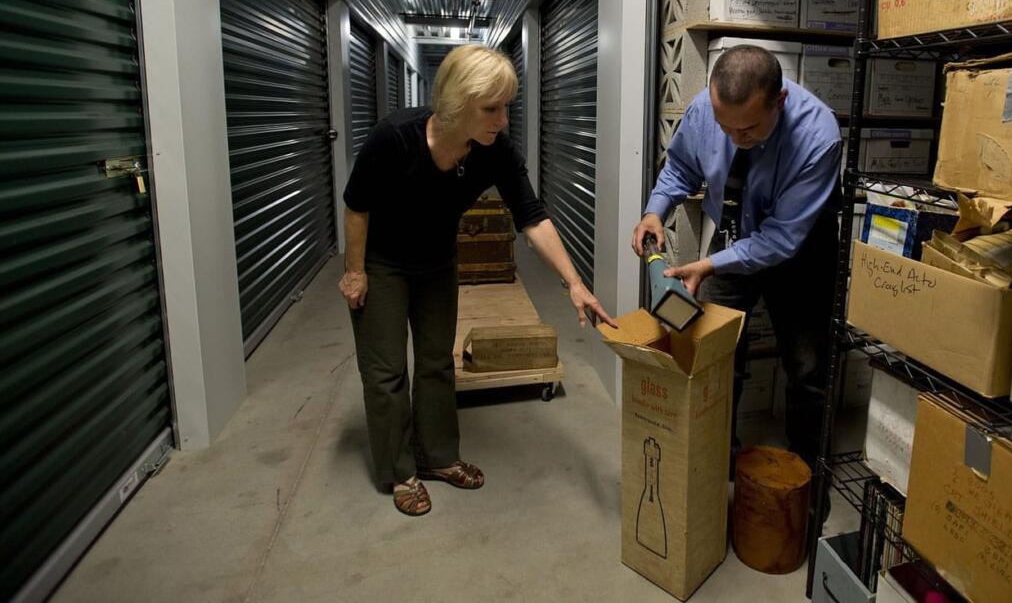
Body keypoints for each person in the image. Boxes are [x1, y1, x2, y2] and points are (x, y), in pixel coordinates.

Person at [340, 44, 614, 517]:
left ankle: (440, 458)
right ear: (456, 103)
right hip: (383, 262)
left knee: (435, 362)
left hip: (437, 263)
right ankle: (401, 470)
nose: (503, 119)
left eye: (506, 106)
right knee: (386, 372)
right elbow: (357, 206)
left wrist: (574, 282)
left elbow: (532, 216)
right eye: (492, 108)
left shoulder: (493, 151)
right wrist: (355, 271)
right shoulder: (394, 138)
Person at [631, 44, 842, 466]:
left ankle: (807, 480)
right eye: (724, 127)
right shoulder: (703, 109)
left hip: (799, 250)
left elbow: (781, 238)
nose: (734, 139)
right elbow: (680, 168)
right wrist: (656, 210)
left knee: (807, 370)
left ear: (778, 101)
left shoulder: (819, 135)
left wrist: (709, 264)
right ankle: (714, 467)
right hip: (733, 238)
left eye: (747, 130)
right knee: (717, 355)